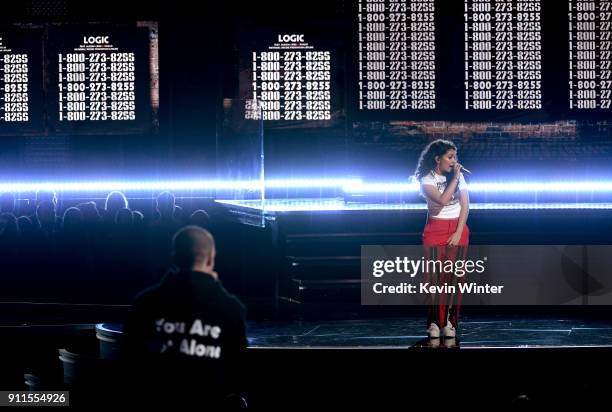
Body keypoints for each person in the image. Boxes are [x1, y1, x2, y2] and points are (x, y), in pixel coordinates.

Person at [123, 225, 248, 406]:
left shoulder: (144, 304)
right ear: (211, 260)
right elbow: (237, 373)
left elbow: (130, 365)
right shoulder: (230, 309)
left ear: (174, 258)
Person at [415, 139, 470, 340]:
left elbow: (465, 206)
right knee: (433, 279)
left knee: (455, 279)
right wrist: (455, 179)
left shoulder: (459, 177)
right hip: (435, 230)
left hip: (458, 228)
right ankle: (433, 322)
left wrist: (458, 232)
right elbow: (442, 200)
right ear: (437, 159)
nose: (454, 161)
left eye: (455, 157)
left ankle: (450, 322)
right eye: (450, 157)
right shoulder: (426, 179)